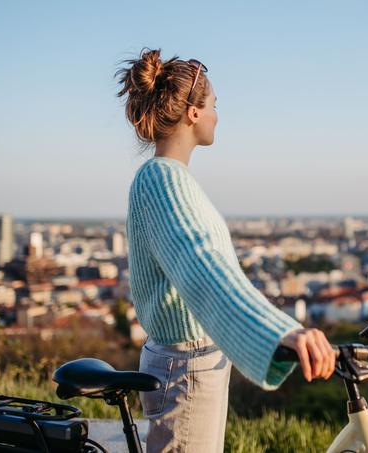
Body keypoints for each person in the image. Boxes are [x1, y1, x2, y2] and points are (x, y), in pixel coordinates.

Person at [118, 47, 337, 453]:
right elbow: (201, 266)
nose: (218, 114)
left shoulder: (170, 179)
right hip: (185, 367)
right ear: (193, 113)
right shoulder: (161, 180)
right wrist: (282, 331)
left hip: (191, 362)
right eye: (214, 104)